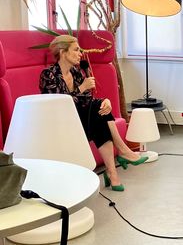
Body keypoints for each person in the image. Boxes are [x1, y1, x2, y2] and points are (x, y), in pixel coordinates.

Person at [39, 35, 148, 191]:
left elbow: (87, 102)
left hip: (81, 121)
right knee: (98, 115)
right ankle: (121, 154)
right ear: (63, 52)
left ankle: (113, 172)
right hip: (61, 124)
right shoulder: (48, 74)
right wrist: (82, 88)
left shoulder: (76, 73)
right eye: (76, 50)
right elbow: (58, 105)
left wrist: (106, 102)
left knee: (100, 115)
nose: (80, 54)